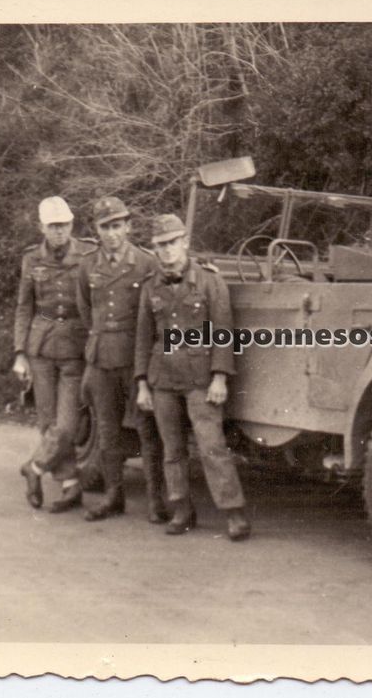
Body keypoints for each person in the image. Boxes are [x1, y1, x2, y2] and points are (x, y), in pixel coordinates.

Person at [134, 214, 251, 541]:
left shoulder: (210, 281)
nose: (167, 251)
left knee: (212, 446)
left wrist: (220, 378)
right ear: (154, 249)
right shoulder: (150, 287)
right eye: (160, 245)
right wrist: (142, 382)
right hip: (163, 380)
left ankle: (233, 511)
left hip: (200, 378)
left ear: (185, 242)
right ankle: (182, 508)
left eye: (172, 243)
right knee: (172, 449)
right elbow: (144, 339)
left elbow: (224, 332)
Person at [76, 196, 167, 523]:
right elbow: (86, 312)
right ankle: (114, 496)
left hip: (136, 358)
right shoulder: (87, 265)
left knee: (147, 429)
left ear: (128, 227)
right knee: (108, 431)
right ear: (96, 230)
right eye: (105, 227)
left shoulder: (146, 263)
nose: (112, 233)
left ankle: (158, 500)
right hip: (101, 358)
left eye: (117, 226)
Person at [13, 196, 96, 513]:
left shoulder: (87, 253)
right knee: (48, 422)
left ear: (72, 225)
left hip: (75, 347)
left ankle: (33, 469)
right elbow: (24, 308)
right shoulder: (31, 260)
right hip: (41, 347)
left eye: (63, 225)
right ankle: (70, 484)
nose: (59, 231)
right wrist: (20, 353)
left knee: (68, 424)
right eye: (52, 226)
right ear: (42, 227)